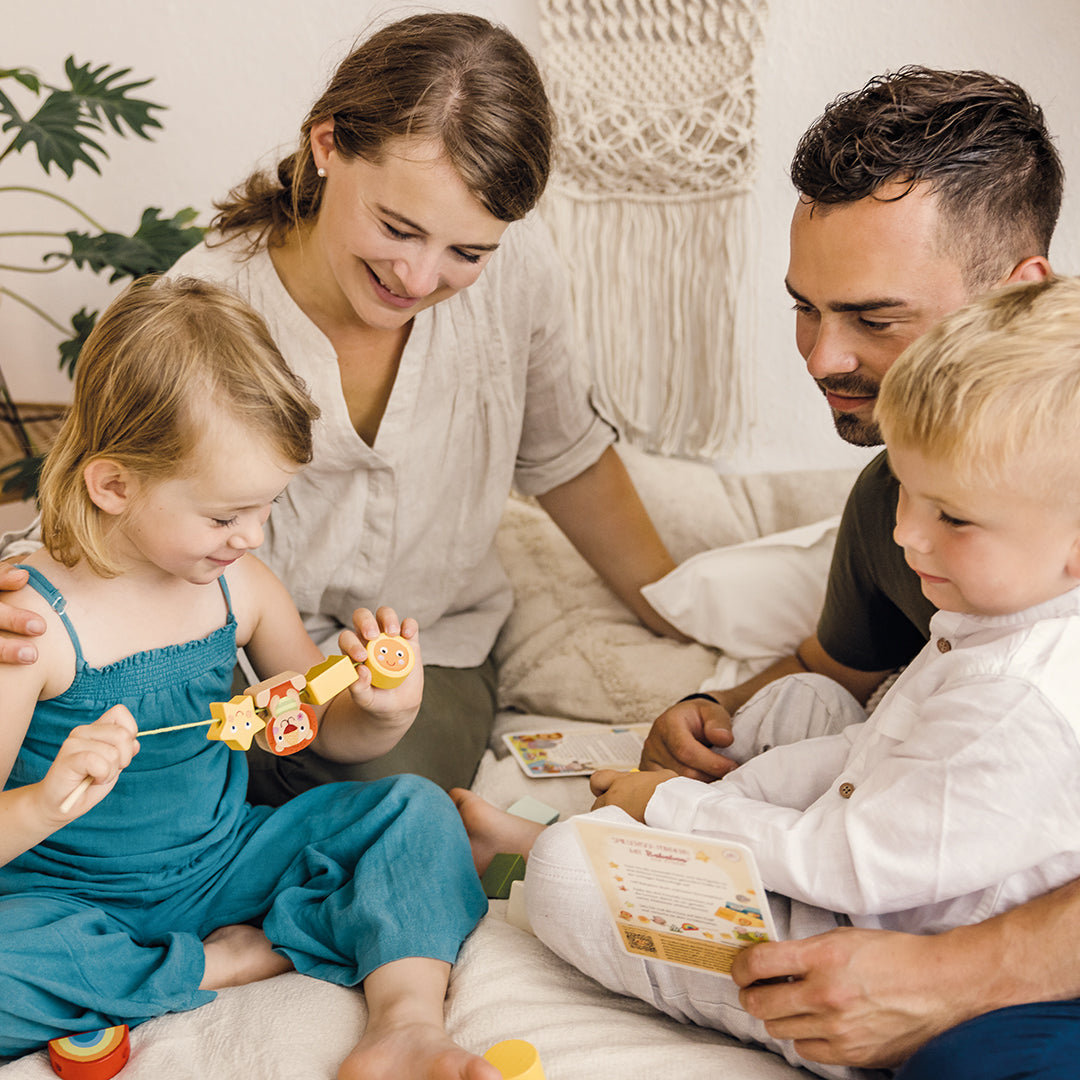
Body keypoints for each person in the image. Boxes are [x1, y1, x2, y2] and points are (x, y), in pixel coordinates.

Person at [0, 12, 681, 800]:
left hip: (416, 660)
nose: (420, 279)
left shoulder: (520, 273)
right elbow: (103, 493)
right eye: (397, 227)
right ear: (327, 145)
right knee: (115, 799)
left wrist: (680, 613)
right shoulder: (207, 314)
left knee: (387, 804)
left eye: (467, 252)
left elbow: (566, 456)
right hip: (209, 671)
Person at [455, 275, 1080, 1079]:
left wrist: (681, 809)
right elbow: (866, 741)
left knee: (570, 876)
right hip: (883, 849)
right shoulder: (1001, 608)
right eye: (909, 494)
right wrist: (717, 782)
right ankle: (616, 840)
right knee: (804, 703)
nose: (909, 538)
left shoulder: (1023, 700)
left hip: (882, 925)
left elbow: (847, 857)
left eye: (951, 517)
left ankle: (824, 1032)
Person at [630, 67, 1079, 1073]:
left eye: (875, 319)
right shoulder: (892, 501)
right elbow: (841, 672)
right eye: (805, 309)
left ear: (1021, 294)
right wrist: (708, 713)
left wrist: (957, 976)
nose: (822, 357)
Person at [0, 277, 499, 1080]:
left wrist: (381, 710)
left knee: (413, 810)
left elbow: (319, 728)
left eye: (268, 508)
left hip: (225, 863)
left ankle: (405, 1022)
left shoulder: (239, 587)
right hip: (62, 901)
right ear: (115, 483)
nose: (252, 536)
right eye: (226, 515)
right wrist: (49, 796)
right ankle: (204, 969)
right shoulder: (34, 626)